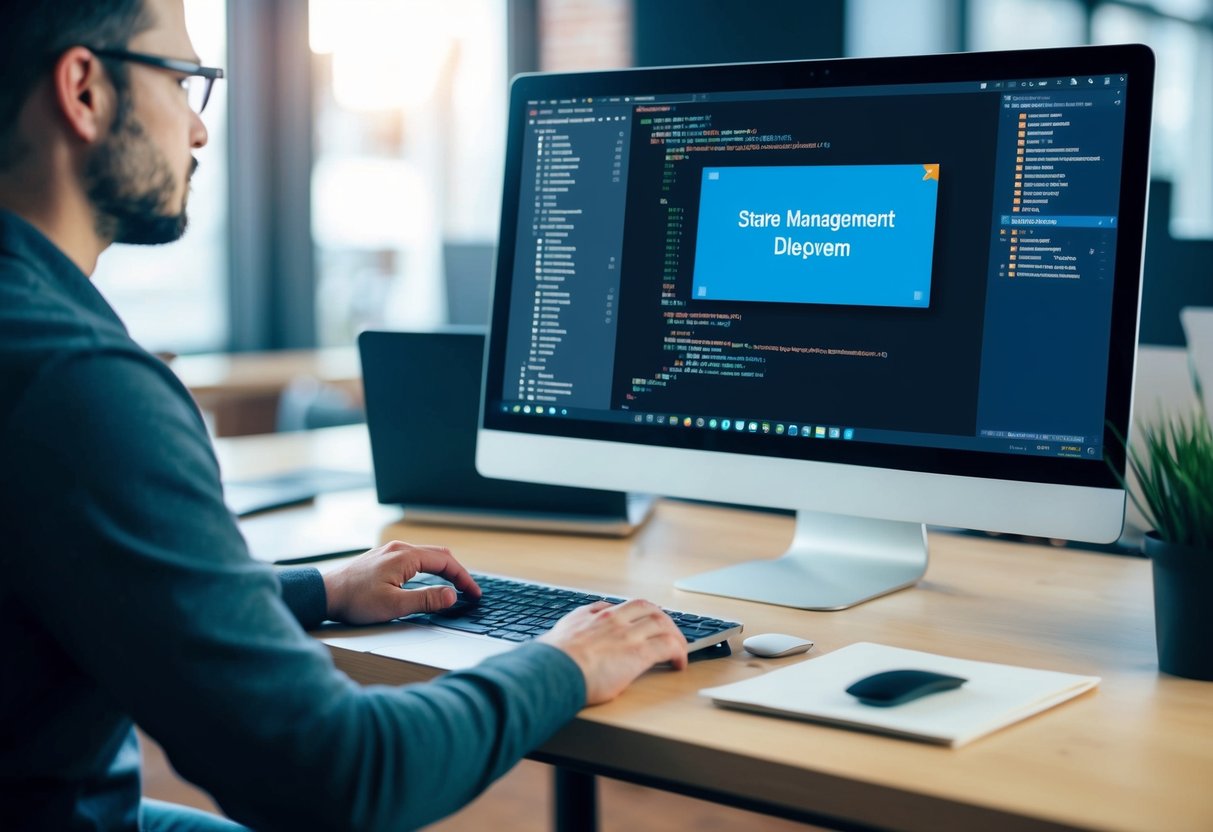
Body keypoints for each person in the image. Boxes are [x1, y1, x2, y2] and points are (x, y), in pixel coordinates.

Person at [0, 1, 689, 829]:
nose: (198, 130)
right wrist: (564, 662)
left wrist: (319, 588)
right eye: (185, 82)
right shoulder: (82, 384)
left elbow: (86, 581)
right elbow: (340, 776)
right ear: (84, 91)